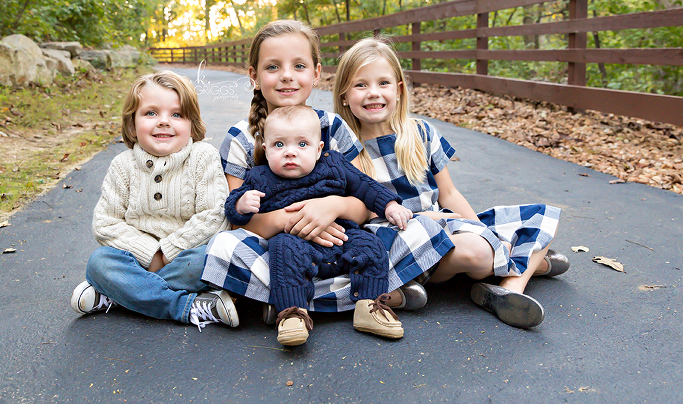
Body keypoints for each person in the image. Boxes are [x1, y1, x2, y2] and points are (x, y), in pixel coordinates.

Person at [202, 20, 451, 321]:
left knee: (416, 229)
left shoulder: (332, 127)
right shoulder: (241, 137)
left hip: (342, 240)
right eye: (272, 67)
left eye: (299, 66)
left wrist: (332, 206)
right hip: (279, 251)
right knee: (223, 247)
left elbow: (364, 202)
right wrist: (291, 220)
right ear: (254, 76)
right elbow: (239, 221)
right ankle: (375, 294)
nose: (286, 77)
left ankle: (284, 302)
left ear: (316, 73)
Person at [333, 37, 570, 328]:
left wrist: (483, 230)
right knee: (479, 252)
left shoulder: (420, 132)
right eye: (360, 85)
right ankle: (523, 268)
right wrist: (423, 218)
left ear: (398, 88)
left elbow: (449, 194)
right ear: (344, 94)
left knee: (538, 217)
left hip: (445, 224)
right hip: (397, 236)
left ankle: (508, 289)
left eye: (383, 83)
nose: (373, 93)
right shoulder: (343, 148)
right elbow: (364, 211)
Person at [226, 105, 412, 345]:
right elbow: (232, 210)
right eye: (279, 145)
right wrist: (241, 204)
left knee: (371, 244)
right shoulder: (258, 178)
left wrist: (389, 205)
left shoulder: (333, 164)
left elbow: (365, 185)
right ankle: (292, 312)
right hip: (295, 242)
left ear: (318, 149)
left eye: (302, 144)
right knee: (282, 250)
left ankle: (370, 305)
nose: (290, 152)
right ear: (265, 149)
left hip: (342, 235)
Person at [70, 70, 238, 331]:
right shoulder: (123, 165)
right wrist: (150, 255)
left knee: (214, 258)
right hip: (136, 259)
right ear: (131, 124)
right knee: (99, 262)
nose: (163, 122)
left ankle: (121, 294)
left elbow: (215, 215)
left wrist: (168, 252)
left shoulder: (202, 157)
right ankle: (186, 306)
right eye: (151, 113)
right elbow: (105, 222)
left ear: (191, 124)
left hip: (185, 258)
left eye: (176, 114)